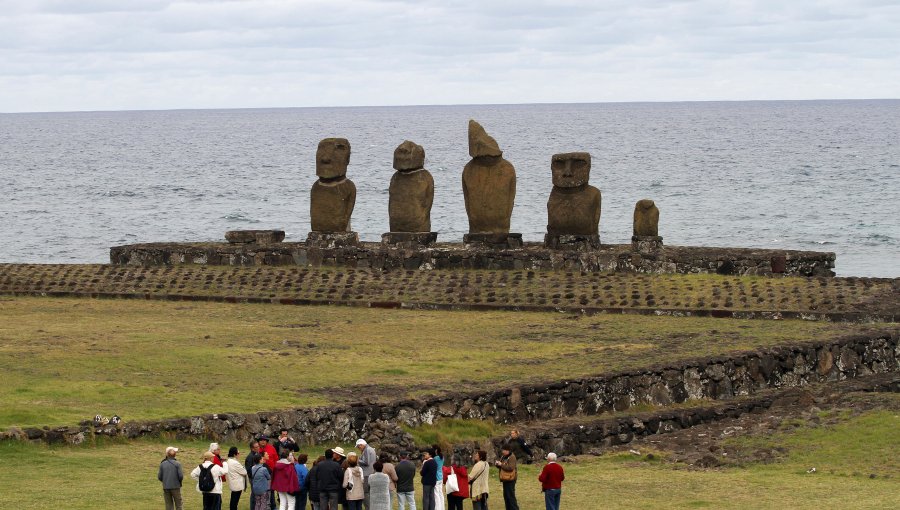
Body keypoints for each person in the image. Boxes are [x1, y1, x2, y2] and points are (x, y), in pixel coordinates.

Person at [158, 446, 184, 510]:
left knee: (168, 505)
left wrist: (165, 481)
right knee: (179, 504)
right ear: (175, 455)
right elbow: (181, 476)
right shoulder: (178, 464)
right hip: (176, 486)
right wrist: (178, 482)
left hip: (166, 487)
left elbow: (159, 477)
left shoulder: (162, 464)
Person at [494, 445, 518, 510]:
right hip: (505, 479)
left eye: (504, 450)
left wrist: (501, 464)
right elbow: (501, 466)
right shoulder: (503, 456)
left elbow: (511, 468)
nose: (502, 451)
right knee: (506, 497)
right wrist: (497, 464)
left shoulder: (512, 457)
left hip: (510, 479)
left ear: (508, 450)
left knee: (510, 497)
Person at [258, 436, 279, 510]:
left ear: (267, 441)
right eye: (261, 440)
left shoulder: (271, 448)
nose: (263, 441)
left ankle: (273, 506)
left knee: (271, 490)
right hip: (260, 474)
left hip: (271, 473)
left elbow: (276, 459)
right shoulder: (257, 449)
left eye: (264, 440)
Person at [356, 439, 376, 510]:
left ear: (361, 445)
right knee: (370, 493)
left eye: (358, 447)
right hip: (371, 473)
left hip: (366, 474)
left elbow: (367, 462)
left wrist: (357, 460)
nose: (359, 448)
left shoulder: (367, 449)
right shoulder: (371, 449)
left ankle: (368, 508)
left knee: (365, 493)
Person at [245, 441, 262, 510]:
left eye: (258, 446)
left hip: (257, 478)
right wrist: (254, 476)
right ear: (252, 448)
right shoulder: (250, 457)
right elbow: (248, 469)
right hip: (253, 478)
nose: (258, 448)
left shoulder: (257, 454)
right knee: (254, 494)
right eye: (256, 447)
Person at [432, 445, 444, 510]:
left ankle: (437, 508)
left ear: (436, 450)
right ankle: (442, 508)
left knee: (436, 494)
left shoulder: (435, 458)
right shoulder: (442, 457)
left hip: (436, 477)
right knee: (440, 493)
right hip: (441, 476)